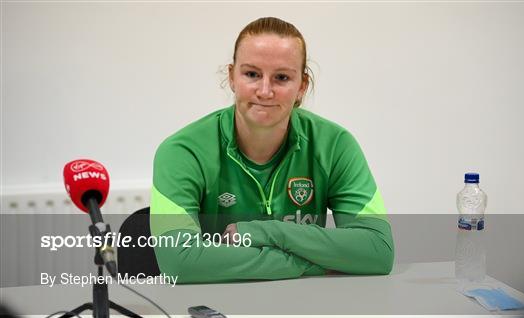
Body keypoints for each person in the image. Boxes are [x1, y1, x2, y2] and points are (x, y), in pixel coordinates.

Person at [150, 17, 394, 283]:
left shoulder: (335, 145)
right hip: (215, 314)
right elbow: (179, 262)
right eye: (252, 74)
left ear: (302, 85)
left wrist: (270, 232)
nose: (265, 91)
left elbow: (378, 250)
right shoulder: (182, 152)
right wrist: (311, 263)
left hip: (308, 311)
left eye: (281, 77)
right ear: (232, 77)